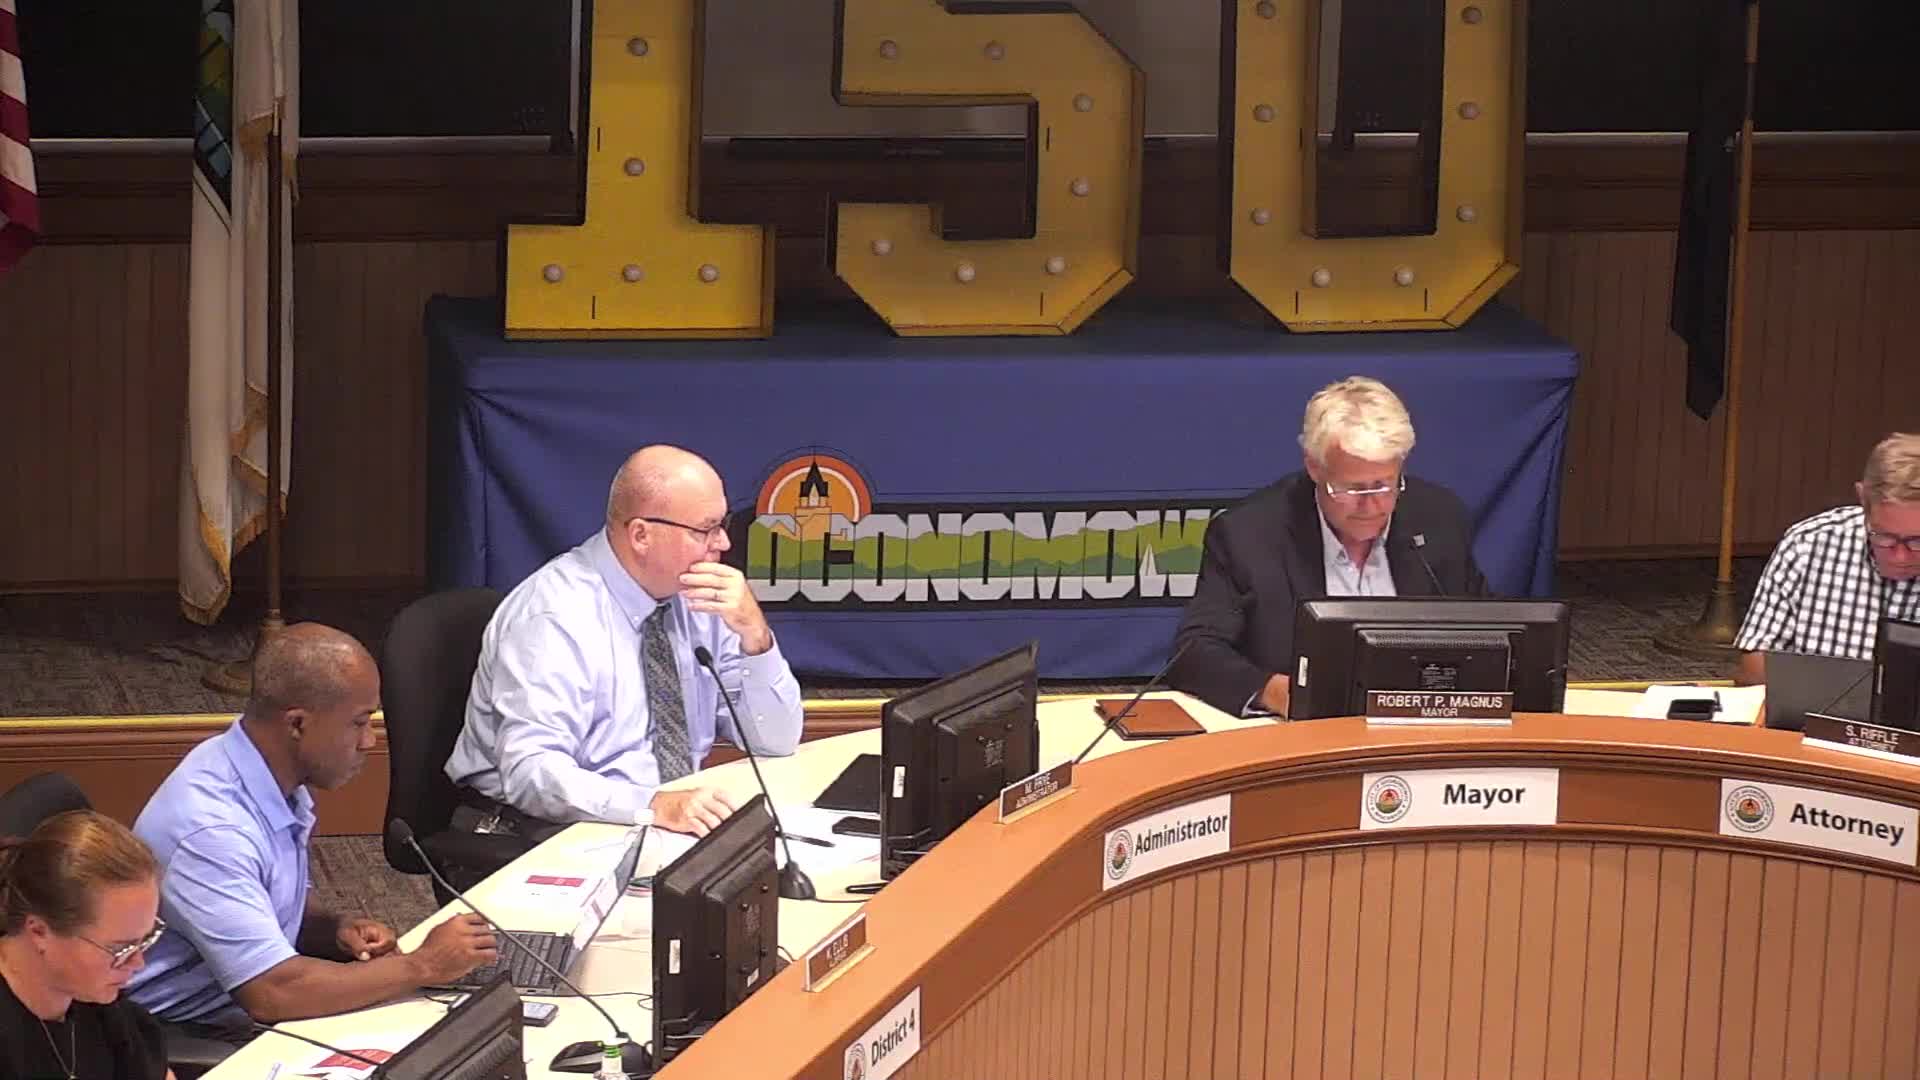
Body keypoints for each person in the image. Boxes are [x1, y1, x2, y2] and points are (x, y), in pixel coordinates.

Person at [126, 623, 498, 1044]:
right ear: (298, 724)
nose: (369, 741)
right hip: (184, 1036)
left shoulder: (269, 775)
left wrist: (333, 929)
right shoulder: (212, 831)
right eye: (358, 723)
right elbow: (272, 992)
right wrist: (423, 965)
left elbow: (267, 904)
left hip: (240, 1007)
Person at [446, 444, 804, 839]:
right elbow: (531, 774)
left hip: (660, 823)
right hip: (539, 829)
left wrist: (756, 636)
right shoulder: (553, 617)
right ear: (641, 535)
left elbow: (776, 740)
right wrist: (652, 805)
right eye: (705, 529)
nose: (723, 544)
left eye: (723, 524)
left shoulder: (701, 598)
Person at [1170, 376, 1488, 717]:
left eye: (1384, 485)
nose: (1371, 506)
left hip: (1421, 725)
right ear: (1314, 467)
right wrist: (1275, 692)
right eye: (1352, 488)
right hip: (1304, 733)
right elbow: (1195, 652)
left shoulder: (1439, 518)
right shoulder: (1250, 534)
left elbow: (1491, 629)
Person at [0, 810, 173, 1080]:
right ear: (39, 932)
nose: (138, 963)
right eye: (120, 949)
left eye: (146, 939)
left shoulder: (98, 1003)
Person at [1735, 432, 1920, 683]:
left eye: (1917, 541)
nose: (1899, 557)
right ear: (1863, 499)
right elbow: (1755, 665)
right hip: (1810, 708)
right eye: (1884, 537)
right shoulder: (1809, 543)